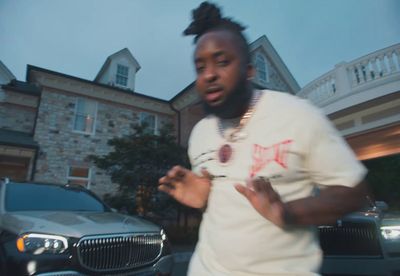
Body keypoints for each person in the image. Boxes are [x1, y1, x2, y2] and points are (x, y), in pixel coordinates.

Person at [159, 2, 368, 275]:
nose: (209, 74)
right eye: (200, 67)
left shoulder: (299, 115)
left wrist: (286, 212)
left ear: (249, 70)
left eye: (223, 62)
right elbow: (224, 210)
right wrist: (204, 200)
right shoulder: (200, 133)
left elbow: (355, 193)